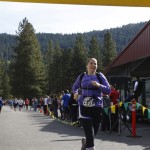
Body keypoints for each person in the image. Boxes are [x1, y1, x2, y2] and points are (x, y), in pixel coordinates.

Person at [72, 58, 111, 150]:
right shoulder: (82, 76)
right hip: (83, 105)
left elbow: (108, 90)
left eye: (95, 64)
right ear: (87, 65)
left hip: (97, 106)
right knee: (89, 132)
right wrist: (75, 93)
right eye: (91, 63)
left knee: (94, 132)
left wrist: (98, 85)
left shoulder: (100, 76)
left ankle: (86, 142)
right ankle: (90, 147)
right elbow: (75, 86)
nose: (93, 65)